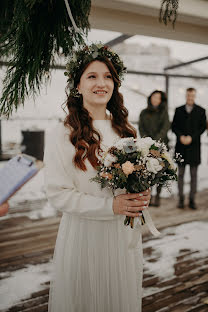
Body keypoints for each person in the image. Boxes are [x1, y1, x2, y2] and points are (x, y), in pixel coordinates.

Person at [44, 43, 151, 312]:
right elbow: (58, 193)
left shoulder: (127, 130)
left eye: (107, 76)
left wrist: (142, 192)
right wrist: (110, 206)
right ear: (77, 86)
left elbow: (136, 175)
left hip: (122, 236)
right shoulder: (62, 133)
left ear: (115, 84)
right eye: (92, 76)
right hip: (84, 236)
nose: (101, 83)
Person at [172, 87, 206, 210]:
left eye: (192, 95)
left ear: (194, 96)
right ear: (185, 95)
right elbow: (174, 126)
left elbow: (202, 128)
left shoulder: (201, 111)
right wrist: (180, 136)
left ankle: (192, 200)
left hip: (194, 147)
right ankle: (181, 199)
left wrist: (192, 137)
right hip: (181, 147)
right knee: (180, 175)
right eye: (188, 95)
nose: (190, 98)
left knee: (193, 176)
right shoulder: (178, 110)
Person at [138, 90, 170, 207]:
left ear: (161, 100)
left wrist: (156, 142)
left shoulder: (164, 113)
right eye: (154, 97)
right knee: (148, 171)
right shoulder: (144, 113)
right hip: (147, 147)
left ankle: (158, 196)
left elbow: (165, 127)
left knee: (161, 171)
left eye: (158, 98)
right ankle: (149, 195)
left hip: (161, 146)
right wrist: (148, 142)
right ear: (150, 98)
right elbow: (141, 128)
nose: (155, 100)